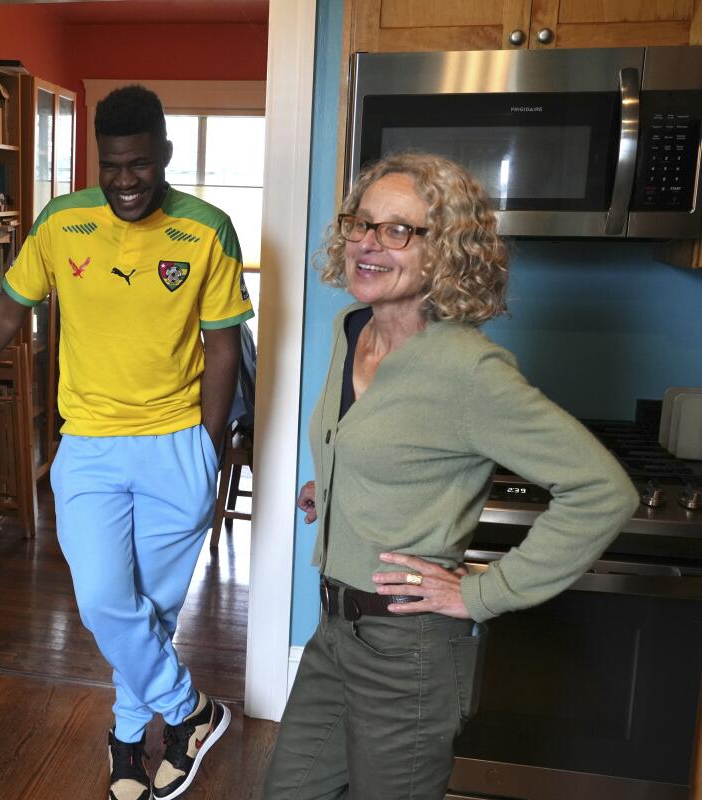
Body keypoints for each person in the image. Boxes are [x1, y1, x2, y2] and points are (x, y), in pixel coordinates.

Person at [261, 152, 639, 798]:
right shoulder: (348, 329)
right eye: (362, 223)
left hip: (407, 652)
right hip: (332, 634)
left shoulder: (468, 370)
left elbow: (606, 491)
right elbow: (376, 437)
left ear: (445, 253)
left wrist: (479, 594)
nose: (369, 243)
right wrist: (338, 483)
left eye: (398, 230)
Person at [0, 85, 253, 800]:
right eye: (111, 166)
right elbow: (5, 313)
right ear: (98, 158)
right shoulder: (62, 221)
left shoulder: (209, 228)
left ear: (165, 156)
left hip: (177, 442)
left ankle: (125, 744)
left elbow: (223, 348)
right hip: (87, 445)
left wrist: (206, 450)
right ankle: (191, 713)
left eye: (139, 166)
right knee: (105, 602)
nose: (124, 182)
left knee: (152, 610)